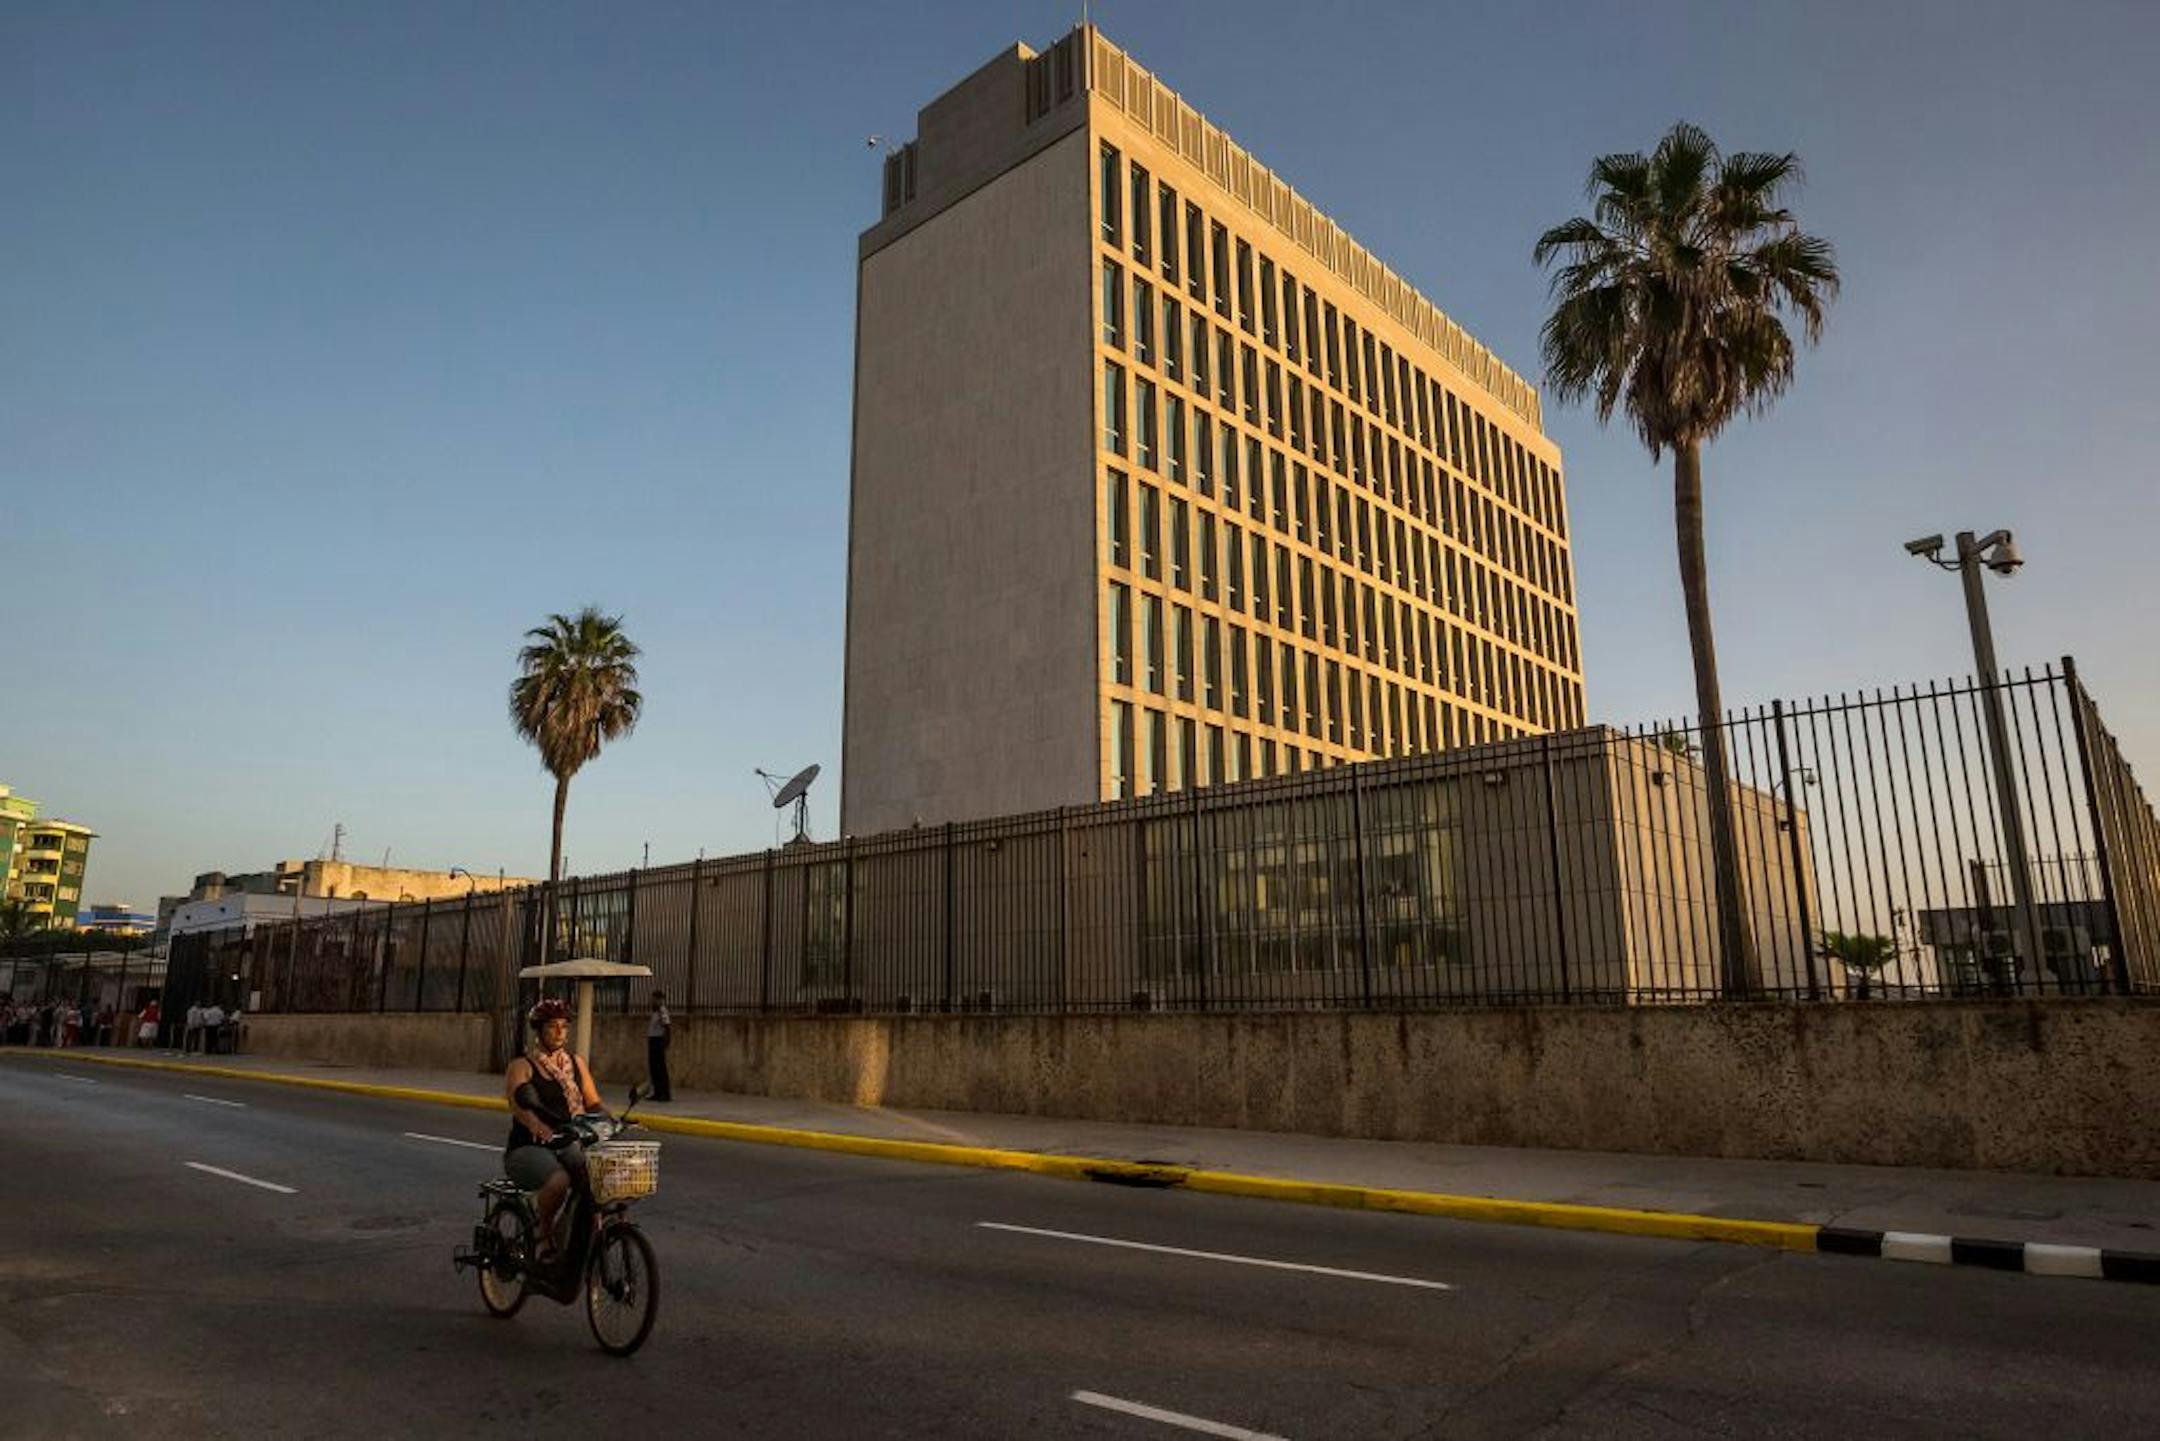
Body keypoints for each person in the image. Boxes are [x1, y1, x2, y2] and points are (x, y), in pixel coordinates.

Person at [502, 998, 605, 1262]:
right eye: (552, 1026)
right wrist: (536, 1125)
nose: (560, 1032)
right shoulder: (522, 1066)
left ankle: (574, 1235)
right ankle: (543, 1232)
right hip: (530, 1147)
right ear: (539, 1030)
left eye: (564, 1026)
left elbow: (592, 1102)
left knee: (598, 1179)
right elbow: (517, 1103)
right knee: (560, 1180)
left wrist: (612, 1122)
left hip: (569, 1142)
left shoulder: (576, 1064)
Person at [646, 989, 673, 1103]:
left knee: (660, 1068)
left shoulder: (662, 1011)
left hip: (658, 1041)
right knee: (654, 1068)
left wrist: (666, 1042)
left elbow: (667, 1026)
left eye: (655, 999)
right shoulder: (655, 1012)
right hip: (653, 1041)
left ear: (660, 1000)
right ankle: (657, 1092)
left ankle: (665, 1093)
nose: (652, 1001)